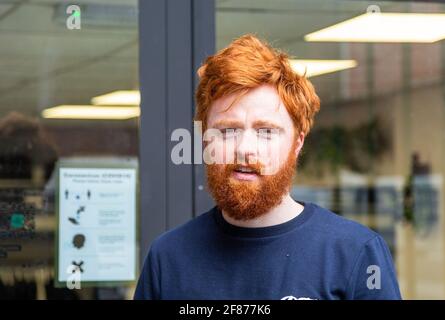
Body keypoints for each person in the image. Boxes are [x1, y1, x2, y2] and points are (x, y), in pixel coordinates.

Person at [134, 34, 402, 300]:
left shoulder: (354, 253)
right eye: (227, 130)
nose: (245, 149)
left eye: (266, 131)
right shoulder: (168, 258)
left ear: (297, 143)